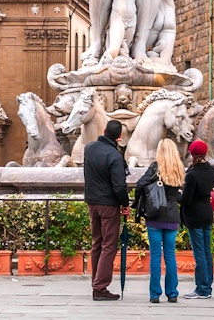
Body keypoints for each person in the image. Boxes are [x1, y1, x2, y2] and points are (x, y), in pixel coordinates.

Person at [133, 138, 185, 304]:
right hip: (171, 218)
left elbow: (140, 185)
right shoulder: (178, 168)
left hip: (155, 217)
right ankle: (172, 293)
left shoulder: (156, 168)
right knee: (170, 256)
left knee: (156, 255)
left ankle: (155, 294)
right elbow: (178, 194)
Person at [84, 119, 130, 301]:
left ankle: (96, 281)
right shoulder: (115, 156)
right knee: (109, 245)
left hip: (92, 202)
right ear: (119, 137)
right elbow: (119, 186)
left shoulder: (89, 148)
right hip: (108, 205)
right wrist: (125, 204)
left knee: (97, 242)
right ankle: (100, 287)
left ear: (104, 131)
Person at [180, 139, 214, 300]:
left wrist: (176, 195)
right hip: (207, 213)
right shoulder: (211, 170)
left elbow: (186, 200)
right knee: (207, 252)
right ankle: (207, 286)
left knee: (199, 253)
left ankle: (201, 288)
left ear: (192, 154)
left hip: (194, 215)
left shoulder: (192, 175)